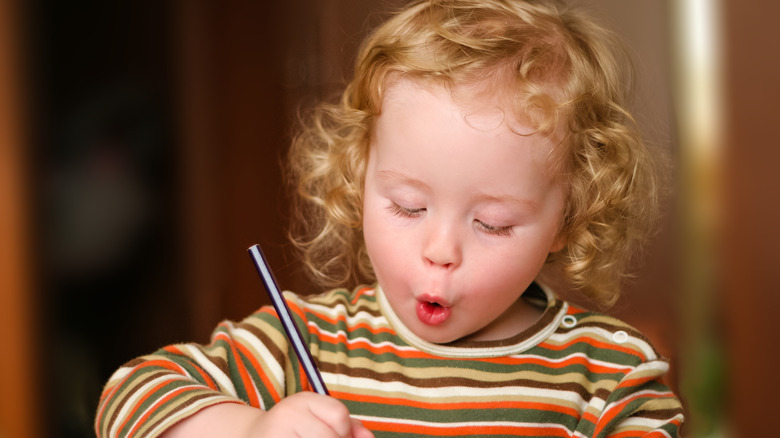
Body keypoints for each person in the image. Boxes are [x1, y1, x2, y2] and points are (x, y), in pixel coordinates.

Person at [95, 0, 684, 436]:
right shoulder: (307, 343)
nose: (440, 249)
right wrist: (251, 431)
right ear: (358, 178)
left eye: (493, 223)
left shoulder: (610, 375)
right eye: (408, 205)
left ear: (569, 216)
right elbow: (129, 398)